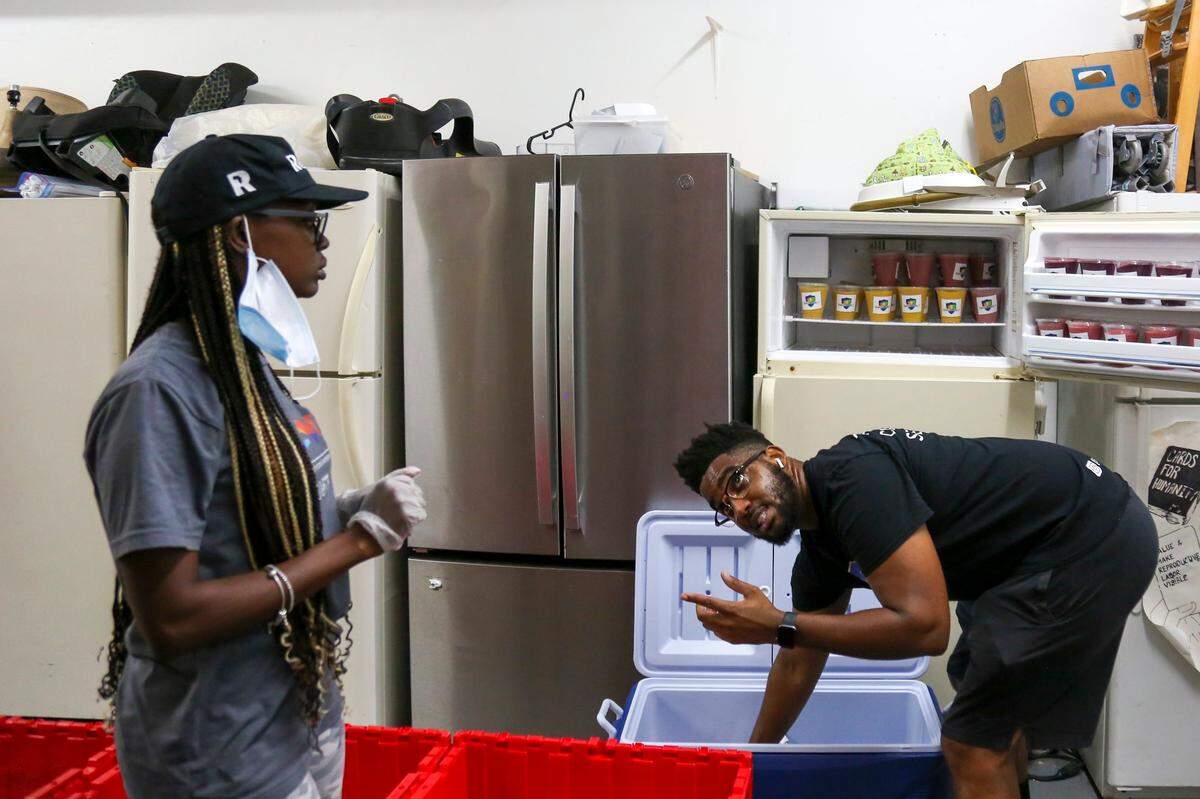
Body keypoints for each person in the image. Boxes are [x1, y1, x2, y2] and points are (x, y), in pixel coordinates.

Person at [84, 134, 425, 799]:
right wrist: (358, 541)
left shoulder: (241, 363)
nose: (323, 243)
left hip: (290, 714)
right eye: (308, 221)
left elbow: (249, 516)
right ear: (241, 234)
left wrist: (345, 507)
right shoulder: (156, 392)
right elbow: (173, 617)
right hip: (218, 751)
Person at [673, 422, 1157, 799]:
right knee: (980, 693)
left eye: (738, 481)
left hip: (1087, 533)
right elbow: (798, 661)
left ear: (775, 457)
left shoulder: (853, 479)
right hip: (1033, 555)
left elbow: (926, 628)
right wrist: (748, 763)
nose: (738, 507)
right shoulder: (821, 554)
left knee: (970, 742)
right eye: (724, 507)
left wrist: (781, 624)